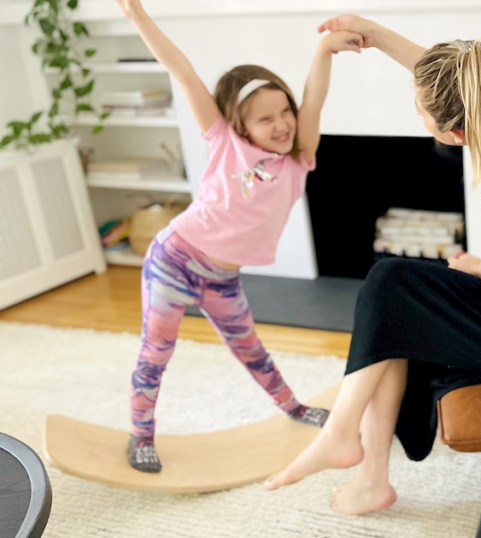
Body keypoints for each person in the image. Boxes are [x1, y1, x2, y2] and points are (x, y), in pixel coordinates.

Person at [264, 14, 481, 515]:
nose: (417, 115)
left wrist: (480, 271)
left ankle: (347, 439)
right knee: (392, 290)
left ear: (458, 131)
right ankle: (364, 468)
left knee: (392, 290)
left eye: (422, 112)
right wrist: (372, 34)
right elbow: (448, 74)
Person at [115, 0, 363, 473]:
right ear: (240, 125)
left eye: (284, 111)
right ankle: (141, 434)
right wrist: (137, 17)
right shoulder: (223, 141)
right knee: (156, 352)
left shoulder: (298, 158)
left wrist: (325, 50)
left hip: (223, 279)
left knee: (251, 349)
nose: (282, 124)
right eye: (265, 118)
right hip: (176, 260)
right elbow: (183, 73)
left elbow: (313, 100)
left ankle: (291, 407)